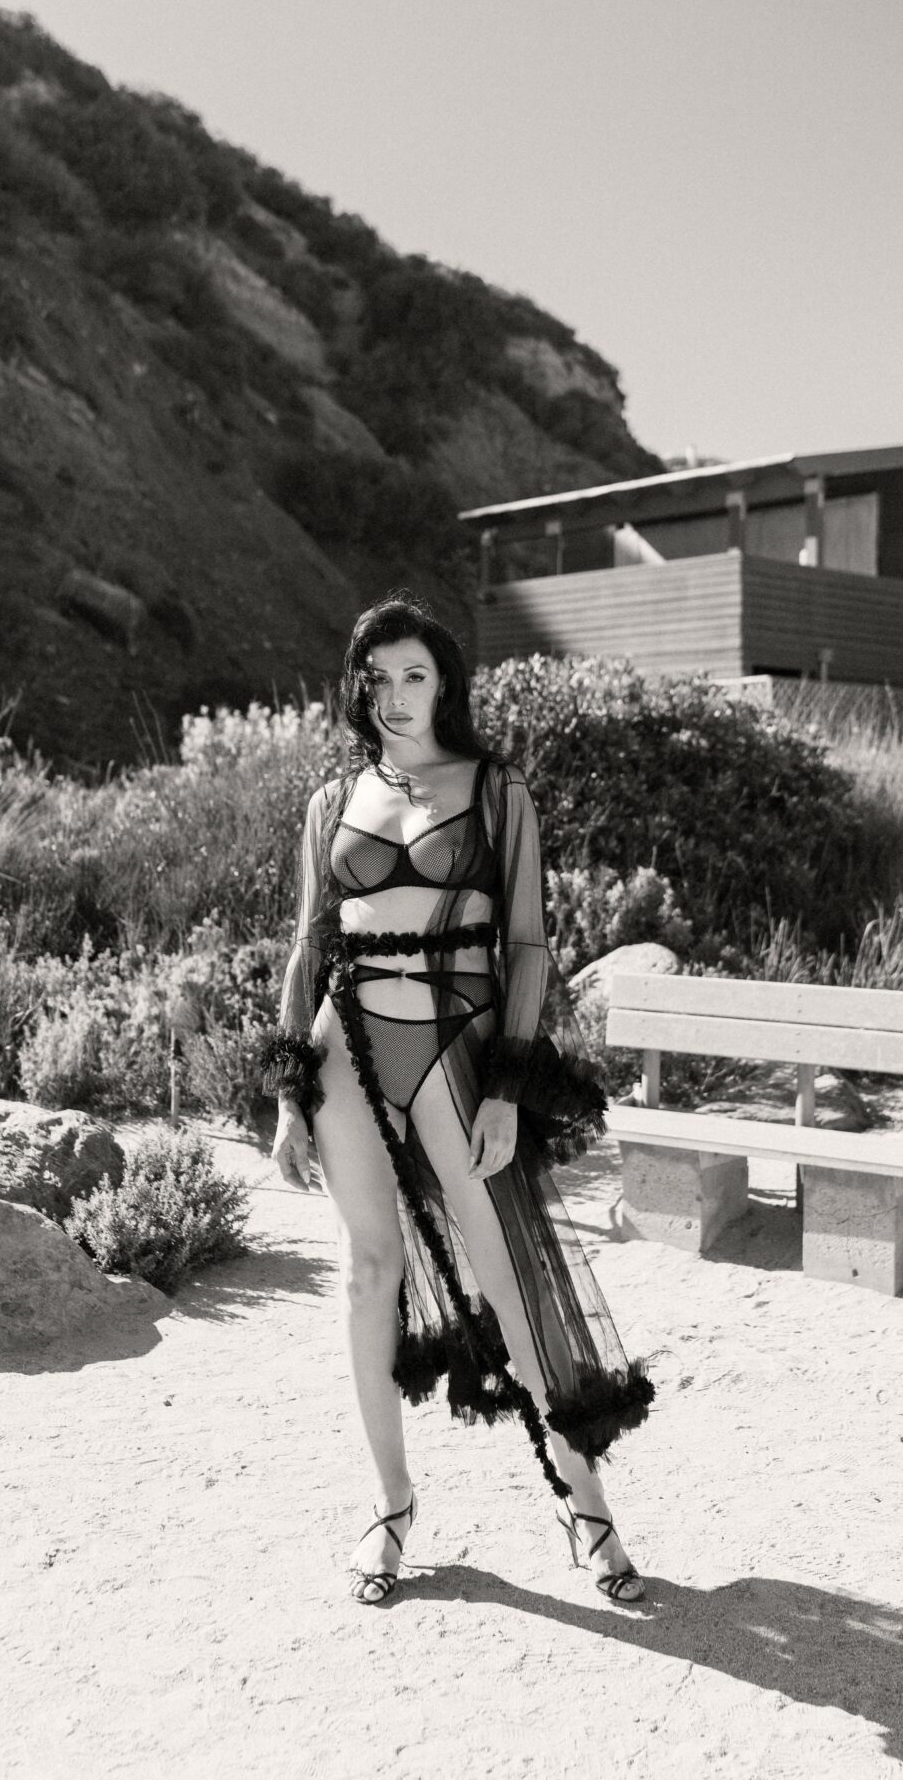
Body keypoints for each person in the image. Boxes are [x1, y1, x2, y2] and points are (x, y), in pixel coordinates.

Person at [265, 595, 654, 1606]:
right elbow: (311, 943)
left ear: (444, 684)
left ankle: (584, 1500)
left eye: (413, 675)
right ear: (356, 688)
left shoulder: (494, 790)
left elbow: (525, 945)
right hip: (342, 1044)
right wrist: (284, 1095)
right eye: (376, 678)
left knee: (504, 1268)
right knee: (367, 1268)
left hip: (456, 1046)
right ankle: (391, 1505)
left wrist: (512, 1086)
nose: (394, 696)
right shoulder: (330, 800)